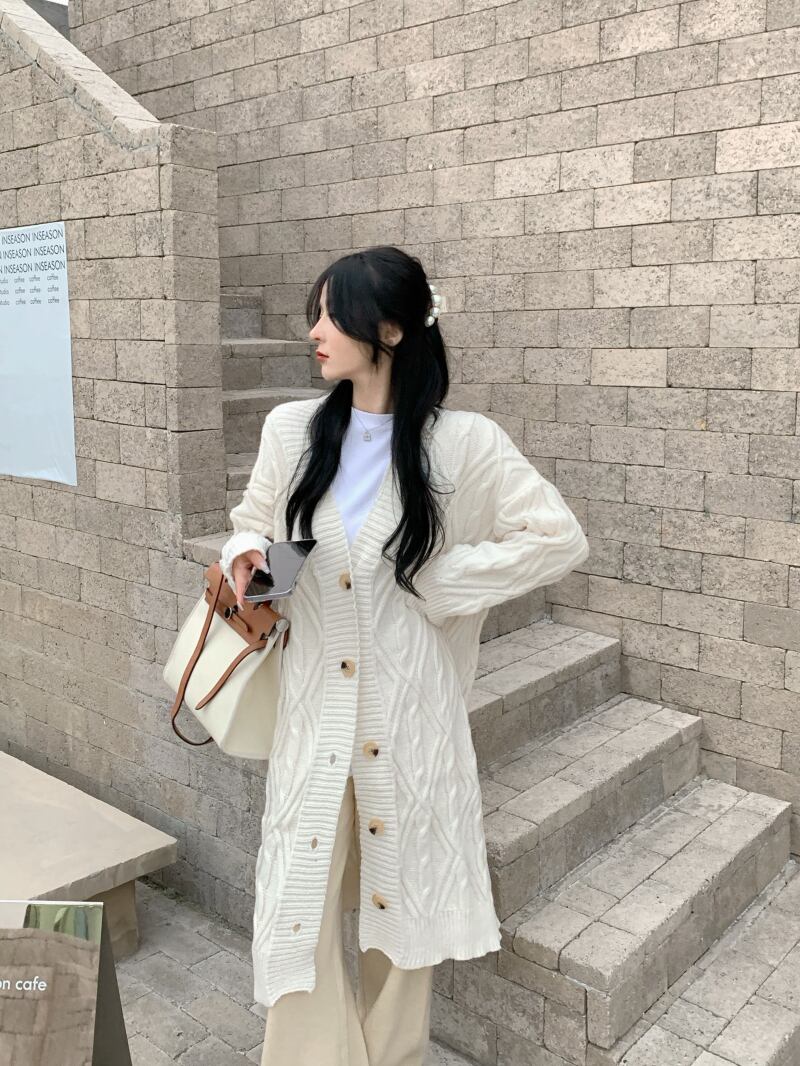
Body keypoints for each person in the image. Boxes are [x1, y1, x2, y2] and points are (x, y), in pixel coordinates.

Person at [218, 245, 591, 1066]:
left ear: (388, 329)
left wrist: (444, 580)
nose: (314, 332)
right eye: (313, 314)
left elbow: (558, 537)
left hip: (412, 720)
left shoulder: (464, 444)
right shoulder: (293, 430)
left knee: (403, 906)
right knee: (302, 904)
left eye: (331, 314)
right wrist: (248, 558)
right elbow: (253, 521)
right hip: (315, 713)